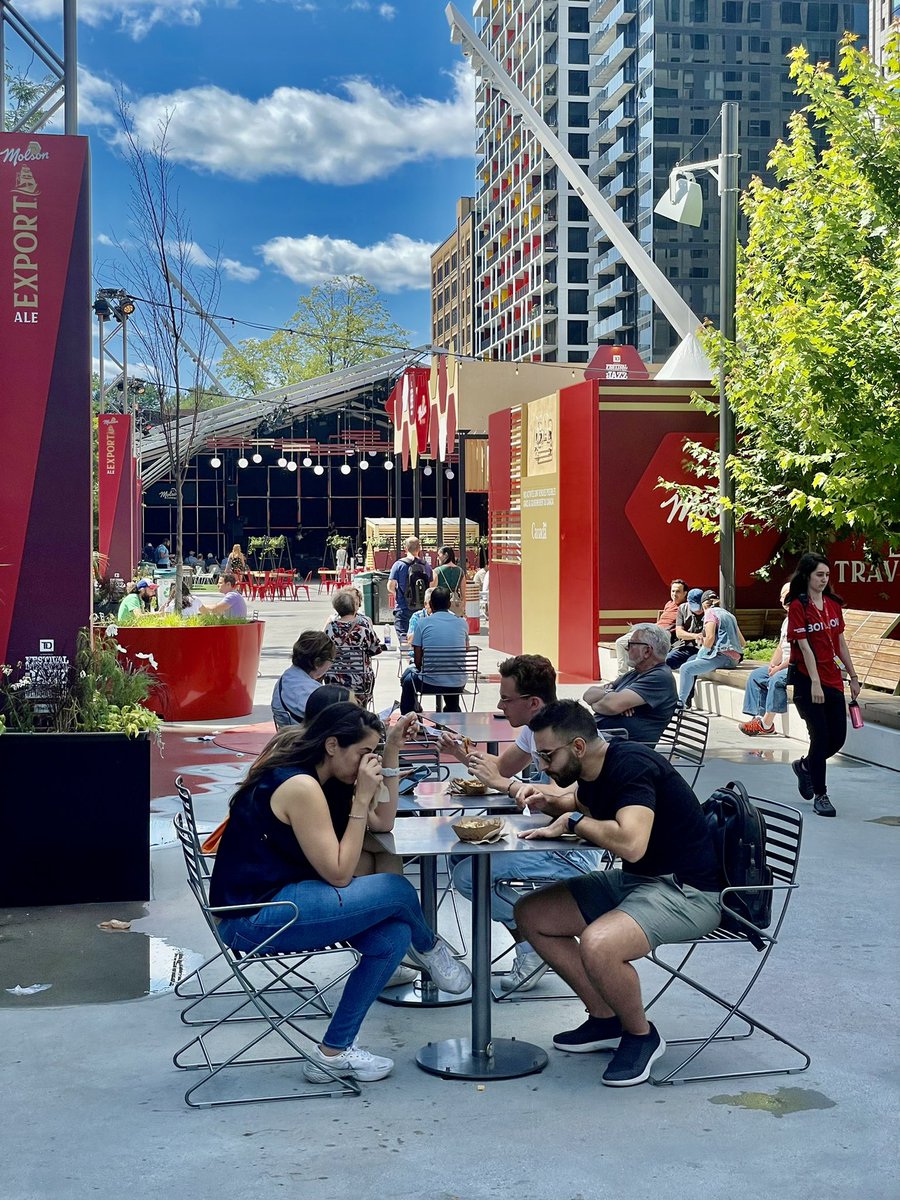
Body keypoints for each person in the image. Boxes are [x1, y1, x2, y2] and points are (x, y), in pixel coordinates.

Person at [209, 703, 471, 1083]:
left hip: (280, 901)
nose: (370, 762)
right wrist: (362, 800)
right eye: (365, 752)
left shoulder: (324, 778)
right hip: (253, 918)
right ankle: (431, 949)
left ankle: (333, 1051)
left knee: (393, 937)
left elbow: (383, 821)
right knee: (397, 890)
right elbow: (338, 873)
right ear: (332, 745)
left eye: (374, 752)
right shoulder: (299, 786)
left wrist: (391, 750)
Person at [514, 700, 721, 1087]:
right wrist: (548, 802)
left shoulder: (631, 766)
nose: (542, 766)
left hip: (688, 891)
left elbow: (632, 843)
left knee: (599, 944)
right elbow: (577, 802)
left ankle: (641, 1035)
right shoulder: (593, 769)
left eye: (546, 755)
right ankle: (606, 1020)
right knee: (533, 915)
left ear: (577, 747)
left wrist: (575, 821)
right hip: (640, 883)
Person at [442, 655, 605, 992]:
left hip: (574, 847)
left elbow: (571, 795)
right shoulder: (535, 731)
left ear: (532, 702)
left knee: (468, 875)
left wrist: (510, 786)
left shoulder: (563, 733)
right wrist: (461, 754)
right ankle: (532, 939)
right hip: (543, 835)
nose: (500, 705)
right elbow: (501, 768)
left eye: (505, 698)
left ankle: (534, 941)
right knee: (457, 857)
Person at [786, 553, 860, 818]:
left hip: (833, 680)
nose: (824, 579)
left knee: (837, 738)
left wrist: (852, 675)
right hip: (808, 682)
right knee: (819, 737)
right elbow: (803, 646)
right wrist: (815, 682)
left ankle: (805, 767)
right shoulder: (798, 606)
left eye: (827, 575)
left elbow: (839, 642)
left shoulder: (832, 604)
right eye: (819, 574)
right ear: (807, 575)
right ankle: (821, 794)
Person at [583, 623, 678, 743]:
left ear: (647, 651)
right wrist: (612, 694)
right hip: (603, 738)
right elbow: (588, 695)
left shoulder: (660, 677)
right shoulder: (634, 673)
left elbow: (611, 705)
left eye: (631, 644)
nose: (627, 648)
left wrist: (610, 700)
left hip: (621, 746)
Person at [399, 587, 468, 715]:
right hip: (458, 683)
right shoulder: (462, 623)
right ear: (449, 604)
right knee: (450, 676)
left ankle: (409, 719)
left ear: (430, 604)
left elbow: (418, 661)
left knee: (408, 681)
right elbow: (466, 649)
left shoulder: (422, 623)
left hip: (429, 683)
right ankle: (452, 711)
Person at [676, 590, 747, 708]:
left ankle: (680, 703)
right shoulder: (729, 615)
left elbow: (709, 638)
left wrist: (702, 652)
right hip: (734, 658)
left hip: (723, 657)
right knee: (691, 663)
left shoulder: (710, 613)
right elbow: (742, 642)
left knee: (686, 668)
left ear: (704, 604)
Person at [740, 584, 792, 736]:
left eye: (787, 595)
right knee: (757, 675)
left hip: (799, 665)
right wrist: (772, 664)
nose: (783, 599)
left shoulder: (803, 618)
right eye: (782, 596)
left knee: (776, 679)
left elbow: (799, 653)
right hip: (784, 665)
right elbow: (781, 647)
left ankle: (766, 724)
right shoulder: (787, 621)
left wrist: (779, 668)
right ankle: (758, 718)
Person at [322, 588, 384, 707]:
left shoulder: (329, 628)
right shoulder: (364, 630)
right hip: (359, 682)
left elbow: (323, 650)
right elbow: (375, 650)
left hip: (334, 680)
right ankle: (362, 711)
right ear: (354, 606)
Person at [613, 580, 687, 676]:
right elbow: (662, 621)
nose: (674, 594)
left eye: (678, 591)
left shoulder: (685, 607)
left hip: (661, 635)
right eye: (673, 591)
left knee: (632, 645)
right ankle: (623, 676)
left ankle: (625, 676)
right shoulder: (669, 604)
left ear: (685, 593)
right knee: (620, 642)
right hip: (653, 629)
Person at [272, 631, 337, 727]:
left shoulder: (286, 679)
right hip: (309, 738)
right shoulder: (312, 692)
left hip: (289, 735)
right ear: (317, 662)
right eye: (331, 661)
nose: (331, 665)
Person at [387, 537, 433, 641]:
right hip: (422, 609)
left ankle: (406, 656)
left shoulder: (399, 565)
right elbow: (432, 583)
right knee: (421, 639)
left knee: (404, 640)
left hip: (403, 607)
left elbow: (390, 585)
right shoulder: (426, 566)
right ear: (419, 548)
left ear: (405, 548)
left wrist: (397, 594)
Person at [665, 587, 706, 670]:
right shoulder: (682, 608)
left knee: (690, 665)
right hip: (686, 647)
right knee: (668, 660)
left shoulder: (709, 610)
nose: (698, 610)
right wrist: (695, 636)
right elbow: (679, 633)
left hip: (704, 649)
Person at [433, 546, 466, 617]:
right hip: (455, 605)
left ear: (446, 555)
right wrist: (463, 608)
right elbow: (463, 595)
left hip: (440, 605)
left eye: (439, 555)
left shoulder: (437, 571)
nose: (437, 558)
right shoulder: (460, 571)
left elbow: (432, 590)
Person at [405, 587, 435, 661]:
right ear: (425, 604)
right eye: (433, 603)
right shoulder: (417, 616)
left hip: (439, 659)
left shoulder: (450, 617)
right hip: (420, 658)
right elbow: (410, 640)